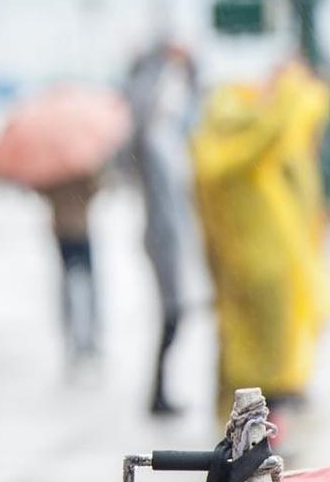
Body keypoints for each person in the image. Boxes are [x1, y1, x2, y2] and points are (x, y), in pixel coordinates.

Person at [192, 61, 330, 419]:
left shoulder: (230, 149)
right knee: (258, 352)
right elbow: (277, 131)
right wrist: (293, 90)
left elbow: (286, 133)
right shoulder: (226, 152)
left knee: (268, 344)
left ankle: (263, 410)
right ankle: (258, 416)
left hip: (261, 262)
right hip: (253, 266)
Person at [125, 40, 198, 415]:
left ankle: (160, 390)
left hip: (170, 237)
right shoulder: (154, 140)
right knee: (173, 313)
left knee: (176, 313)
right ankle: (158, 392)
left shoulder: (167, 138)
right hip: (163, 239)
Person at [39, 173, 101, 365]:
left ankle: (75, 334)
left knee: (70, 282)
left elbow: (44, 193)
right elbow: (94, 191)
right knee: (85, 284)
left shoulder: (53, 171)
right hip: (79, 231)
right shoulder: (82, 169)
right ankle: (84, 336)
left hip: (62, 231)